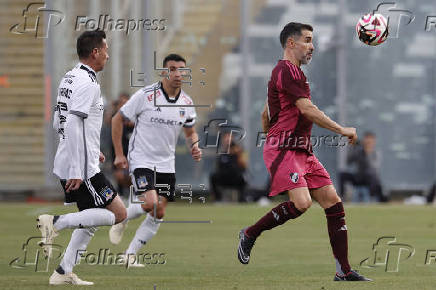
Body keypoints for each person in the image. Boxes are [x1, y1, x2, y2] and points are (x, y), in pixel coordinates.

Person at [237, 22, 371, 281]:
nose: (312, 46)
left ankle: (343, 271)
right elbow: (307, 110)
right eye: (307, 40)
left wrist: (269, 128)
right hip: (285, 149)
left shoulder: (291, 73)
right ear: (291, 43)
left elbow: (266, 112)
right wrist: (342, 129)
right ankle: (250, 233)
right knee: (302, 203)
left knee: (333, 201)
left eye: (312, 40)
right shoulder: (286, 71)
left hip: (301, 150)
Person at [37, 30, 127, 285]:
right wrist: (78, 167)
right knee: (118, 214)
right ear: (95, 52)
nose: (108, 56)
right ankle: (54, 222)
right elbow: (74, 123)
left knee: (90, 219)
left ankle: (63, 272)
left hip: (76, 158)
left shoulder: (69, 76)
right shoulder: (88, 82)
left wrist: (88, 147)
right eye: (106, 50)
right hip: (82, 167)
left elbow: (59, 122)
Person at [108, 54, 201, 266]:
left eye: (181, 70)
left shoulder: (186, 102)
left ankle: (129, 255)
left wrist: (195, 146)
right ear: (164, 72)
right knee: (150, 203)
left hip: (166, 163)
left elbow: (190, 132)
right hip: (141, 159)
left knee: (159, 211)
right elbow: (117, 119)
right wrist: (120, 154)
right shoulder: (146, 95)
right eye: (172, 69)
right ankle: (121, 217)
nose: (177, 74)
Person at [339, 131, 386, 202]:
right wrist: (353, 147)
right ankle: (341, 198)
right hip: (358, 177)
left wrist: (367, 153)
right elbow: (348, 161)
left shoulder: (376, 153)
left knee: (371, 174)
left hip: (370, 179)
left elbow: (373, 167)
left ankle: (372, 198)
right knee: (342, 174)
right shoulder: (359, 151)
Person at [210, 132, 247, 202]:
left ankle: (242, 199)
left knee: (243, 178)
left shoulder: (238, 151)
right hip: (223, 177)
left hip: (235, 177)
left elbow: (244, 166)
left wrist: (238, 153)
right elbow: (218, 166)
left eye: (229, 137)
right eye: (226, 138)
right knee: (213, 177)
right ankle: (217, 199)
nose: (227, 140)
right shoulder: (222, 153)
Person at [111, 93, 134, 196]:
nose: (124, 106)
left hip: (135, 157)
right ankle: (121, 194)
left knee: (133, 176)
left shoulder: (135, 121)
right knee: (120, 176)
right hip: (119, 155)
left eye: (126, 103)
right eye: (121, 103)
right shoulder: (115, 120)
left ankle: (133, 194)